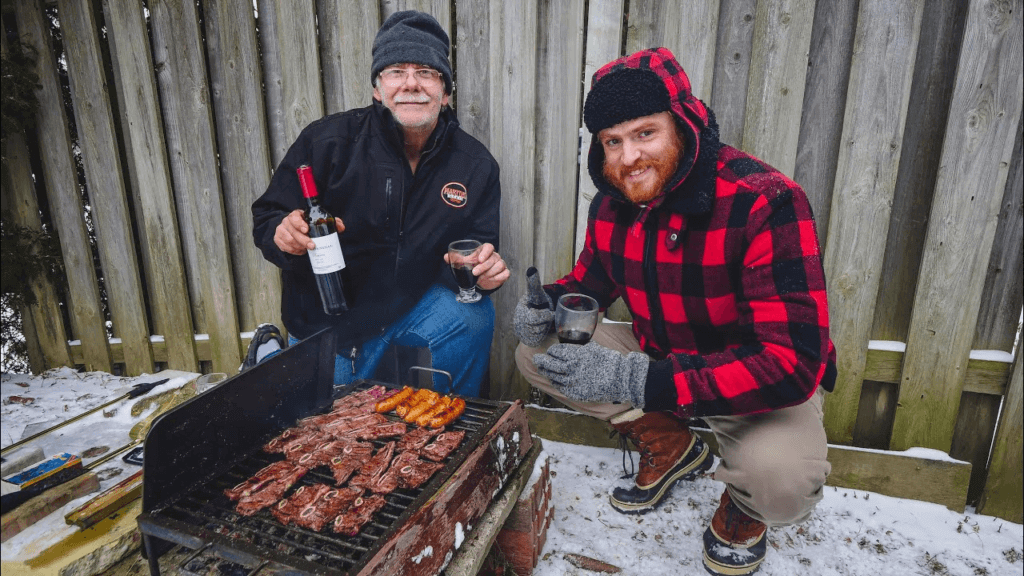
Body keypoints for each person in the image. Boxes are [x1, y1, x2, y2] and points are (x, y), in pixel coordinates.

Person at [513, 48, 837, 576]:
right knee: (537, 351)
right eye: (612, 142)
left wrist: (641, 379)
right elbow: (588, 286)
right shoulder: (613, 204)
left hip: (750, 384)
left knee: (782, 483)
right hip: (660, 363)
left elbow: (791, 362)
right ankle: (671, 445)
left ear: (683, 124)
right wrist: (548, 305)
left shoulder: (766, 201)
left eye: (645, 133)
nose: (627, 158)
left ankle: (744, 504)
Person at [250, 11, 509, 396]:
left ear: (446, 91)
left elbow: (478, 248)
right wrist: (282, 234)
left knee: (472, 313)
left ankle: (451, 424)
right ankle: (271, 355)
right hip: (328, 330)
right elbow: (267, 216)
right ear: (377, 88)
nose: (411, 84)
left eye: (426, 71)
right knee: (328, 436)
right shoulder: (327, 143)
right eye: (395, 71)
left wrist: (479, 270)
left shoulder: (475, 165)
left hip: (407, 323)